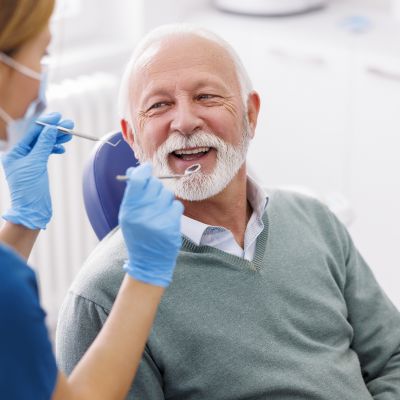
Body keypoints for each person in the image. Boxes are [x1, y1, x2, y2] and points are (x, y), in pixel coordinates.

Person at [56, 24, 400, 400]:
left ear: (250, 115)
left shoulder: (315, 221)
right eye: (159, 105)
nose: (185, 122)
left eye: (206, 97)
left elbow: (392, 359)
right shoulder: (100, 298)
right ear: (132, 137)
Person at [0, 2, 184, 399]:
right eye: (42, 54)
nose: (184, 122)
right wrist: (144, 276)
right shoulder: (85, 292)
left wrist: (23, 221)